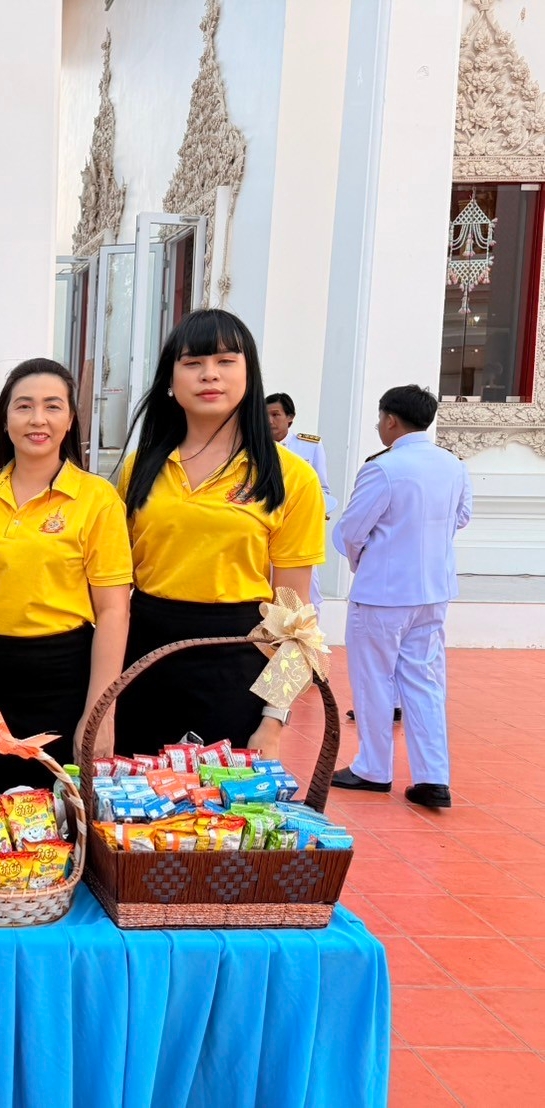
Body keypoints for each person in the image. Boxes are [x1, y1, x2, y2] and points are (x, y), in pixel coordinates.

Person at [114, 309, 325, 758]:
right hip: (146, 661)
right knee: (137, 798)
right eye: (193, 363)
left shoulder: (290, 477)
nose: (210, 374)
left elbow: (296, 618)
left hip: (238, 667)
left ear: (250, 375)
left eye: (226, 361)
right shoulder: (140, 468)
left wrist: (274, 720)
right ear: (170, 380)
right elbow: (111, 588)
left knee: (225, 802)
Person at [0, 359, 133, 788]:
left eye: (52, 406)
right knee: (0, 802)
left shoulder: (97, 498)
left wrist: (100, 709)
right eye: (24, 406)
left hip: (66, 673)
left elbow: (113, 611)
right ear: (5, 419)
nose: (37, 419)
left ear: (70, 420)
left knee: (67, 806)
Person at [331, 386, 471, 809]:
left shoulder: (384, 468)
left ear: (391, 420)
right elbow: (462, 517)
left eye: (380, 418)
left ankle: (374, 768)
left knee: (374, 679)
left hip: (383, 592)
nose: (379, 425)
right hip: (433, 591)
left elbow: (350, 531)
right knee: (425, 682)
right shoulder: (453, 465)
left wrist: (365, 560)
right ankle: (433, 777)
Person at [266, 392, 337, 610]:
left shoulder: (309, 446)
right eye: (264, 415)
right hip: (266, 528)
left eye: (275, 414)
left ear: (290, 417)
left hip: (297, 531)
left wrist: (311, 515)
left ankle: (307, 630)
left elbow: (322, 489)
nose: (269, 420)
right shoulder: (253, 446)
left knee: (307, 595)